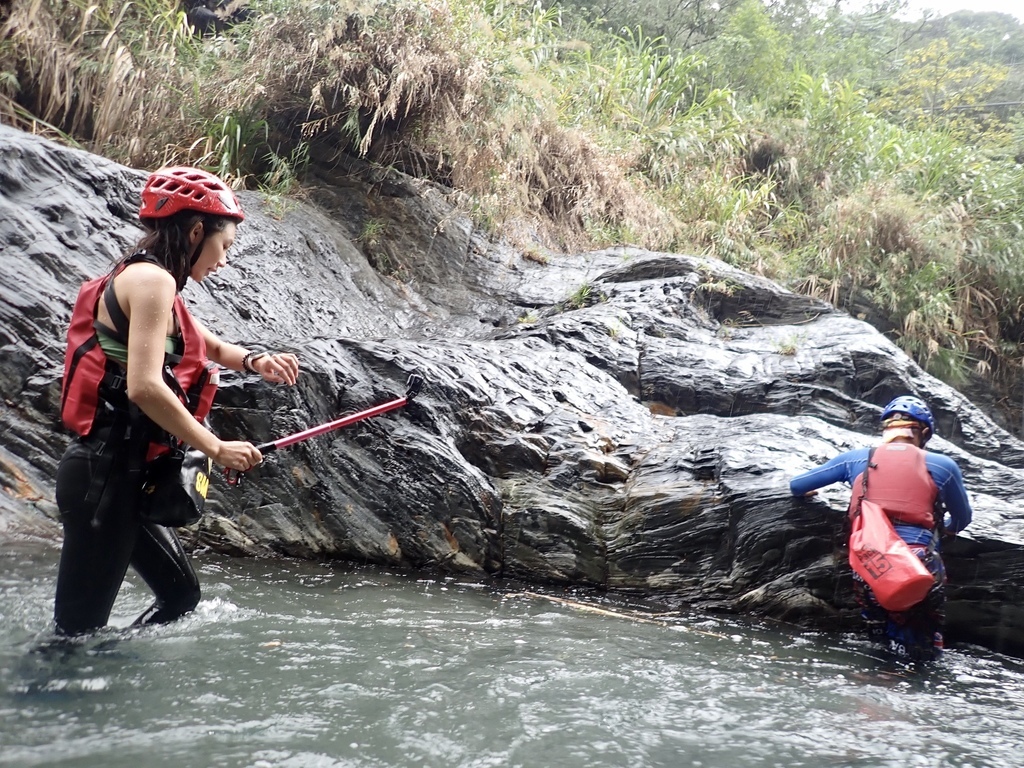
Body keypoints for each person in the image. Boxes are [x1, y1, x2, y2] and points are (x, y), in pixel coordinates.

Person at [54, 166, 300, 636]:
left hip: (124, 477)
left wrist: (257, 361)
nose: (224, 260)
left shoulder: (155, 281)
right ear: (194, 231)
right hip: (103, 477)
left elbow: (211, 347)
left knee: (180, 596)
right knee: (74, 635)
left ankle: (110, 676)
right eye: (224, 246)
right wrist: (215, 447)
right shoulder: (152, 283)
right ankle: (51, 699)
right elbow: (144, 387)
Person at [790, 395, 972, 661]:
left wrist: (810, 493)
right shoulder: (942, 465)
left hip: (871, 565)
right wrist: (948, 528)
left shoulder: (855, 460)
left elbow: (797, 485)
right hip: (919, 565)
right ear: (923, 432)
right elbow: (962, 518)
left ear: (886, 428)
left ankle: (877, 683)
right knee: (922, 645)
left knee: (879, 638)